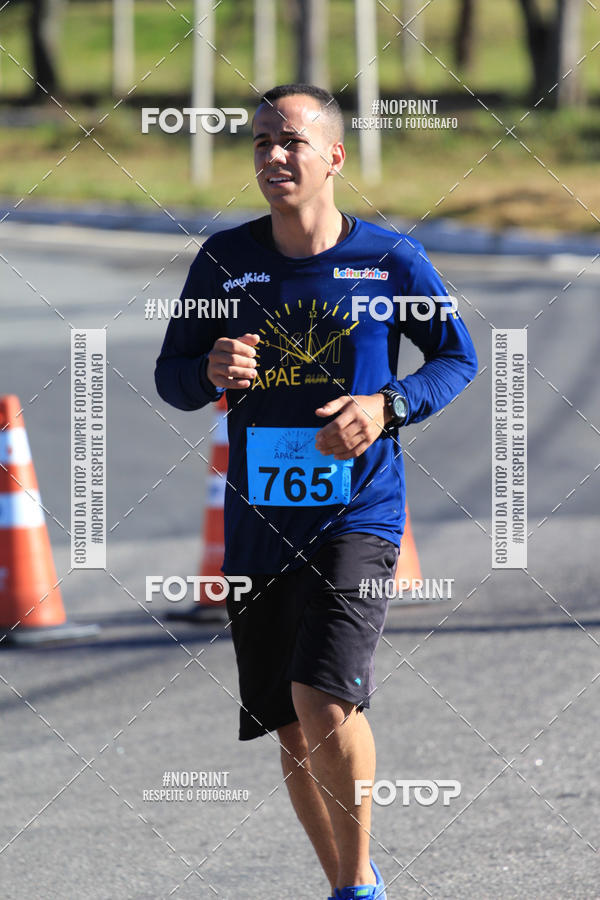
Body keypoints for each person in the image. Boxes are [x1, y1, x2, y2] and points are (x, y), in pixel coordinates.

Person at [155, 83, 477, 899]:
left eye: (291, 142)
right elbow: (171, 375)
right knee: (291, 727)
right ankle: (349, 881)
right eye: (261, 142)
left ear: (334, 155)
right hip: (261, 519)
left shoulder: (390, 260)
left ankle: (362, 888)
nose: (273, 157)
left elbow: (455, 358)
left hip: (360, 512)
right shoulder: (224, 261)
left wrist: (387, 405)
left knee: (322, 694)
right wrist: (207, 370)